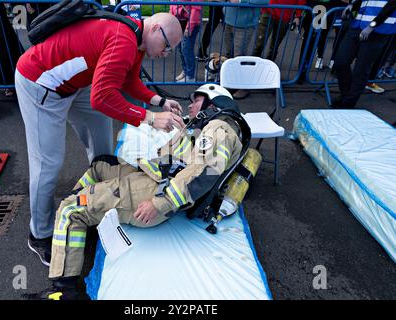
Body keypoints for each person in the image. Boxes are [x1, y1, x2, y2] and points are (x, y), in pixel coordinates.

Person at [22, 84, 251, 300]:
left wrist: (160, 203)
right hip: (152, 179)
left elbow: (202, 175)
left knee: (71, 208)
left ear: (214, 103)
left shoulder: (219, 129)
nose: (190, 105)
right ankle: (81, 231)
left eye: (197, 100)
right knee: (101, 165)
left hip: (154, 192)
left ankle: (65, 291)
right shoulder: (206, 128)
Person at [15, 12, 185, 268]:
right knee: (47, 162)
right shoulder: (124, 41)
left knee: (102, 144)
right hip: (41, 83)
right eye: (167, 46)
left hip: (75, 85)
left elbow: (129, 81)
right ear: (156, 29)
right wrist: (150, 117)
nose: (166, 53)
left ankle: (97, 202)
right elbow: (102, 98)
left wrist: (159, 101)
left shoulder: (135, 39)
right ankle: (39, 234)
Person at [331, 0, 396, 108]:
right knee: (340, 62)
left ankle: (348, 102)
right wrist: (352, 5)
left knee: (361, 69)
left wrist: (373, 25)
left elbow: (391, 6)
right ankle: (346, 95)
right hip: (357, 26)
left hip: (378, 31)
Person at [223, 0, 269, 99]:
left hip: (244, 25)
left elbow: (265, 1)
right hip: (229, 21)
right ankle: (232, 84)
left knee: (239, 57)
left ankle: (244, 87)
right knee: (229, 56)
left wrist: (241, 1)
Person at [170, 0, 203, 82]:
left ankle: (190, 76)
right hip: (179, 22)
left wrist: (189, 27)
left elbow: (196, 9)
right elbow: (172, 4)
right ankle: (185, 71)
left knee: (186, 49)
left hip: (191, 23)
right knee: (181, 48)